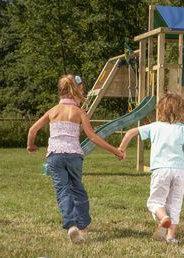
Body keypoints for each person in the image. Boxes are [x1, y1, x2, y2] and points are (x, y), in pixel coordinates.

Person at [27, 74, 124, 244]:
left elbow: (32, 130)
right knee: (78, 190)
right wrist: (115, 150)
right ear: (76, 91)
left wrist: (30, 145)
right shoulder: (79, 112)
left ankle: (71, 224)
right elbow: (93, 137)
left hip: (55, 156)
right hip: (74, 156)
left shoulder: (52, 111)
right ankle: (83, 224)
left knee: (63, 191)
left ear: (61, 92)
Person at [118, 93, 184, 244]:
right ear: (182, 111)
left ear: (160, 111)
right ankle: (171, 237)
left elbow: (130, 132)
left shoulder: (154, 127)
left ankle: (163, 218)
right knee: (175, 204)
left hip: (161, 170)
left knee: (155, 202)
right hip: (179, 171)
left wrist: (122, 149)